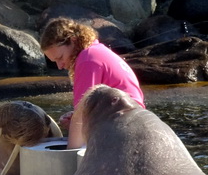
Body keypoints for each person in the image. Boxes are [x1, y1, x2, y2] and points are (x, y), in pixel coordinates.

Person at [39, 18, 144, 148]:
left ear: (73, 41)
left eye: (60, 58)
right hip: (137, 118)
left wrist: (70, 157)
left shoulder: (87, 59)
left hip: (123, 124)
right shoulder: (96, 50)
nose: (59, 66)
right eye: (54, 61)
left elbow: (80, 115)